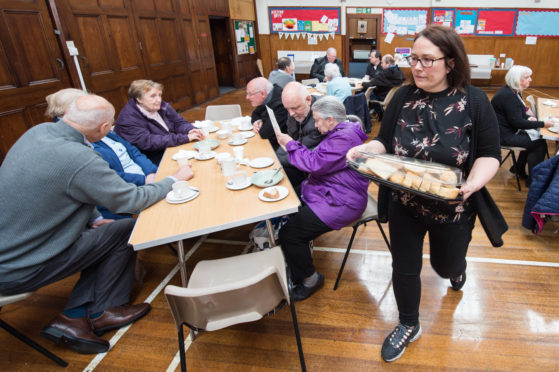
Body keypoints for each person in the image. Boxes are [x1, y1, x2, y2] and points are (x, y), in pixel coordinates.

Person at [347, 25, 501, 362]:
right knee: (404, 267)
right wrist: (366, 150)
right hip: (405, 203)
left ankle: (456, 268)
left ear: (450, 63)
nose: (417, 67)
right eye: (413, 58)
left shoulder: (474, 101)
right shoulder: (402, 96)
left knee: (445, 268)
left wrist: (473, 184)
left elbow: (490, 154)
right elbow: (384, 140)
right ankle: (408, 324)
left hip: (453, 209)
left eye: (427, 60)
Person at [0, 94, 194, 355]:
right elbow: (132, 200)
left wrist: (93, 218)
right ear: (104, 129)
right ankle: (97, 312)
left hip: (11, 251)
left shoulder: (38, 133)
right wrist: (174, 179)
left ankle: (80, 314)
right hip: (19, 268)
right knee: (127, 228)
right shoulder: (79, 157)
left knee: (111, 230)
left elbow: (62, 187)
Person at [277, 96, 369, 301]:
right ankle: (297, 254)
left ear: (330, 120)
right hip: (334, 191)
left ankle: (310, 279)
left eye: (317, 120)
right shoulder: (343, 131)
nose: (315, 124)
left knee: (289, 234)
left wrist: (290, 144)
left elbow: (314, 163)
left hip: (343, 201)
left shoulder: (343, 138)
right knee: (291, 197)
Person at [44, 89, 158, 220]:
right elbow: (107, 176)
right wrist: (144, 180)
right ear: (70, 111)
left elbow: (132, 150)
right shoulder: (79, 141)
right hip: (126, 196)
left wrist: (151, 172)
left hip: (146, 181)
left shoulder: (96, 125)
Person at [114, 79, 205, 165]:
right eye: (153, 96)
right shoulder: (127, 120)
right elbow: (149, 142)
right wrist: (184, 138)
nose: (159, 100)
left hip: (170, 146)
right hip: (152, 157)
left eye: (159, 95)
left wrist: (190, 130)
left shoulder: (161, 105)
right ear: (139, 99)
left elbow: (178, 121)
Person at [491, 65, 552, 187]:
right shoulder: (507, 96)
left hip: (510, 130)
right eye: (527, 77)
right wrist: (542, 124)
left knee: (535, 139)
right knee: (539, 144)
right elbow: (518, 122)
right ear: (517, 79)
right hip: (503, 136)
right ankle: (533, 181)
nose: (530, 80)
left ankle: (518, 168)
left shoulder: (514, 92)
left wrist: (529, 118)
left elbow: (519, 114)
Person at [277, 82, 325, 190]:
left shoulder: (321, 117)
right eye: (287, 109)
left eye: (294, 108)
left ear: (308, 100)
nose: (291, 114)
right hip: (300, 159)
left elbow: (307, 154)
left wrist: (277, 160)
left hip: (312, 171)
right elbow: (292, 139)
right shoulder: (294, 109)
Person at [247, 77, 288, 150]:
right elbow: (256, 113)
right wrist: (257, 121)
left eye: (250, 94)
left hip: (281, 147)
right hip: (270, 142)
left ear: (262, 93)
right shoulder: (270, 95)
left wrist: (261, 124)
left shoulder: (281, 105)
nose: (247, 97)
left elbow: (265, 133)